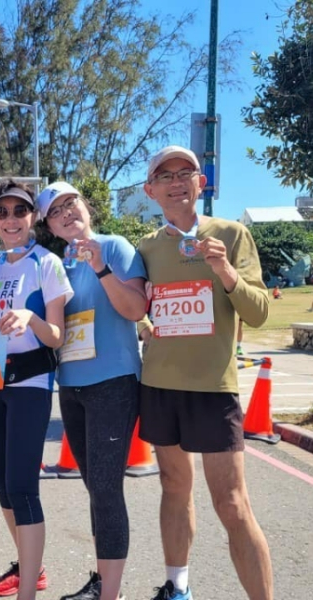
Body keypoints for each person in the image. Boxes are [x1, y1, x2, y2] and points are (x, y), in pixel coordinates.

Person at [139, 145, 272, 600]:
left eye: (186, 172)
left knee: (232, 503)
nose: (177, 181)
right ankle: (177, 588)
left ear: (202, 182)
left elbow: (258, 315)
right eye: (166, 174)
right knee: (173, 487)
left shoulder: (231, 235)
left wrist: (225, 271)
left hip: (213, 390)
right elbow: (137, 308)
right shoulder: (147, 248)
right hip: (158, 386)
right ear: (150, 190)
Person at [36, 182, 148, 600]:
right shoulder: (60, 261)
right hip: (73, 385)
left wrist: (101, 267)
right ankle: (105, 580)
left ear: (86, 205)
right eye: (54, 212)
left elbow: (136, 310)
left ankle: (110, 593)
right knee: (95, 487)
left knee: (105, 487)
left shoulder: (114, 246)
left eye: (71, 203)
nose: (66, 214)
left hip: (113, 383)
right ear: (49, 225)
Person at [0, 179, 73, 600]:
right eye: (1, 212)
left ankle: (27, 592)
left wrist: (30, 316)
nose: (11, 220)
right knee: (2, 485)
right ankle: (32, 568)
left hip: (30, 381)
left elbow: (56, 337)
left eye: (19, 212)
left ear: (32, 218)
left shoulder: (47, 263)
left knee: (23, 488)